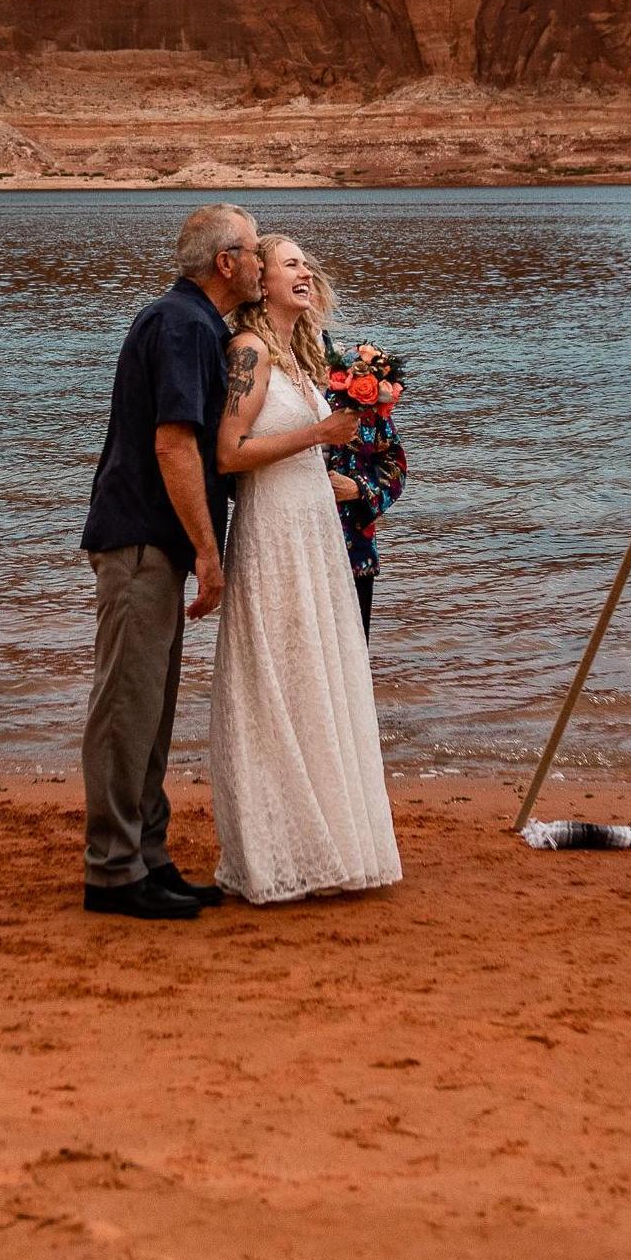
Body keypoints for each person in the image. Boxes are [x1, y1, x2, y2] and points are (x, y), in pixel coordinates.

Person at [207, 234, 403, 904]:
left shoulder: (304, 358)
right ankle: (275, 851)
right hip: (273, 531)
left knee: (317, 675)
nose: (306, 273)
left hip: (315, 532)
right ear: (261, 279)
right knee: (280, 676)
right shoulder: (249, 352)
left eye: (307, 265)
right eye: (291, 263)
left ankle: (329, 841)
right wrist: (320, 437)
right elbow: (229, 454)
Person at [79, 203, 262, 921]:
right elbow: (173, 444)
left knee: (149, 709)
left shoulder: (193, 324)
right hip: (140, 540)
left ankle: (147, 857)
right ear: (226, 263)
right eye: (251, 251)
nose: (258, 260)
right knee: (126, 708)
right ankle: (113, 870)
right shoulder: (182, 324)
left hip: (154, 541)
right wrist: (209, 555)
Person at [317, 301, 408, 640]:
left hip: (354, 550)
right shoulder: (275, 394)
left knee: (352, 654)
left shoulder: (362, 402)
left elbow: (395, 466)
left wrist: (357, 488)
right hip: (292, 545)